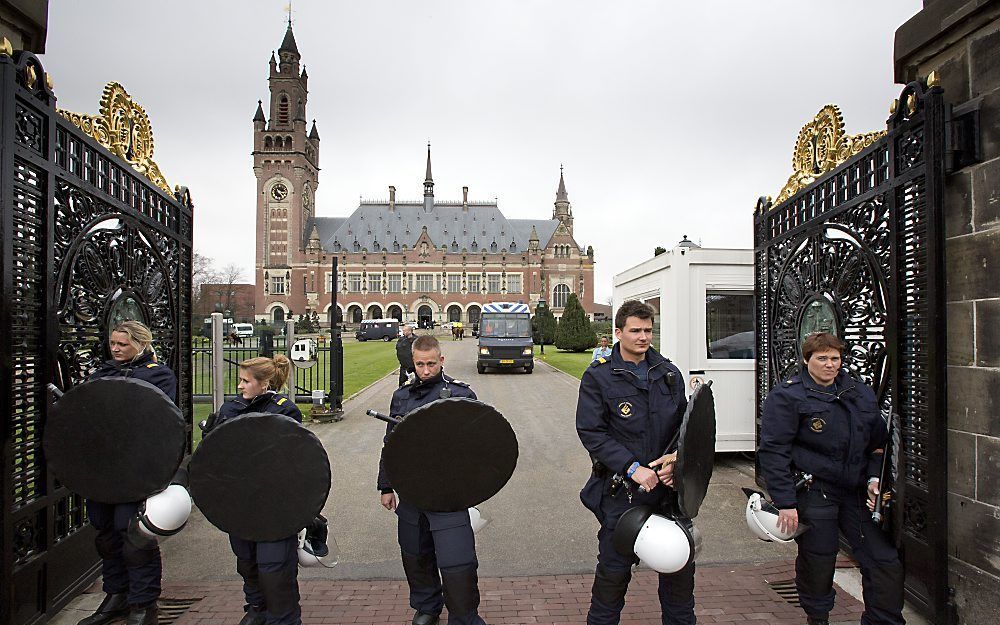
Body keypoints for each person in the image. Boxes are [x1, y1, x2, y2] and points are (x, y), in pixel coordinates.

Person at [758, 332, 904, 625]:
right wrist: (786, 502)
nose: (829, 364)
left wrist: (876, 478)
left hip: (855, 490)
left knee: (884, 560)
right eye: (822, 358)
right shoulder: (787, 396)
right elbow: (774, 452)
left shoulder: (858, 392)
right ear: (806, 360)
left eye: (834, 358)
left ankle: (883, 620)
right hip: (815, 490)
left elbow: (878, 442)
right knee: (819, 561)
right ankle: (818, 617)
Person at [576, 300, 693, 625]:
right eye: (635, 330)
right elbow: (591, 432)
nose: (643, 337)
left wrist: (677, 460)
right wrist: (632, 467)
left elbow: (687, 428)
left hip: (669, 497)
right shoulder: (599, 378)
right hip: (621, 497)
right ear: (618, 332)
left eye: (648, 330)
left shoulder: (669, 374)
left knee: (680, 583)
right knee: (611, 585)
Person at [377, 335, 486, 625]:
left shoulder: (461, 395)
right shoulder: (401, 397)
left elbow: (479, 444)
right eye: (419, 364)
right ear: (412, 363)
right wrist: (386, 485)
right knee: (415, 554)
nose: (425, 371)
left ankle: (464, 616)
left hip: (448, 494)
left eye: (431, 364)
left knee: (457, 562)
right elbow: (391, 444)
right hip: (412, 491)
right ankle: (427, 606)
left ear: (441, 360)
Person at [79, 321, 178, 625]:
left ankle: (144, 602)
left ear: (141, 343)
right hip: (104, 469)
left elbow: (160, 420)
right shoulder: (102, 374)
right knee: (106, 533)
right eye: (113, 343)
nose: (116, 349)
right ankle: (116, 595)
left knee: (133, 534)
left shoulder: (159, 375)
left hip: (136, 469)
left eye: (122, 344)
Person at [209, 355, 304, 625]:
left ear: (265, 384)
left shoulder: (285, 411)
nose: (240, 386)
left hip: (273, 505)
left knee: (275, 568)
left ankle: (282, 618)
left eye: (245, 381)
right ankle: (257, 608)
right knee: (247, 561)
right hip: (239, 503)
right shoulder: (230, 409)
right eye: (240, 380)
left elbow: (295, 460)